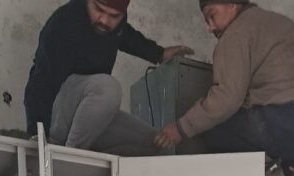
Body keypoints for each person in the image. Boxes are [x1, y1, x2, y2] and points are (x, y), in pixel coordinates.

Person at [155, 1, 294, 176]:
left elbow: (226, 98)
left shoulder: (235, 33)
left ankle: (263, 172)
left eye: (212, 15)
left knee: (214, 127)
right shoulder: (280, 21)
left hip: (283, 122)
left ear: (232, 4)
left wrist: (181, 127)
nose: (210, 27)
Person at [25, 0, 193, 155]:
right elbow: (40, 81)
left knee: (154, 142)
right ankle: (70, 158)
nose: (104, 21)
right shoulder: (63, 23)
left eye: (114, 16)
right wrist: (37, 134)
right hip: (58, 114)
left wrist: (160, 53)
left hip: (87, 117)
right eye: (99, 9)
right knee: (108, 89)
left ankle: (91, 161)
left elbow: (127, 36)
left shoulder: (116, 27)